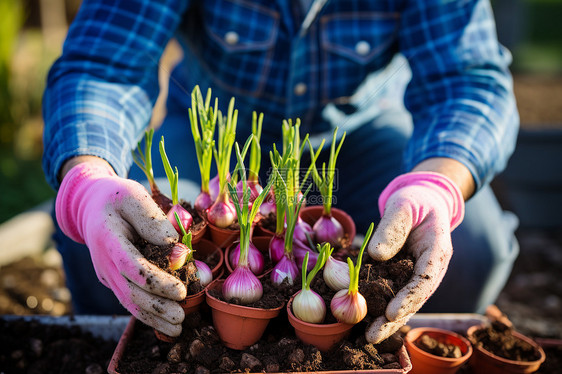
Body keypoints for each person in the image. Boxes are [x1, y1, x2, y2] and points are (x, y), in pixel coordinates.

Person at [43, 0, 520, 342]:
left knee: (475, 247)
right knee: (112, 233)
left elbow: (467, 80)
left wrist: (436, 184)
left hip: (356, 136)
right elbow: (104, 63)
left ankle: (381, 344)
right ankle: (148, 347)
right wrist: (88, 181)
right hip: (213, 135)